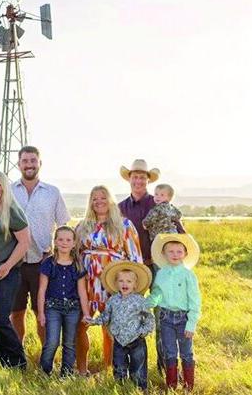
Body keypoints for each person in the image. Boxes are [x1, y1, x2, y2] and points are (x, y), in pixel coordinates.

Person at [117, 159, 185, 374]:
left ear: (148, 180)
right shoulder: (120, 208)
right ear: (129, 179)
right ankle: (133, 369)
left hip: (157, 266)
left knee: (162, 315)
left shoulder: (159, 204)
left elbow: (179, 232)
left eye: (142, 177)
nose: (138, 180)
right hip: (131, 269)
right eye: (134, 176)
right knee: (131, 315)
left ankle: (166, 367)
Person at [75, 185, 142, 374]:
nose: (99, 201)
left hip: (113, 280)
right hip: (86, 281)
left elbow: (135, 258)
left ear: (110, 200)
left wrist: (133, 290)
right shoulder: (82, 226)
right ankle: (81, 369)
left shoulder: (124, 225)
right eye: (94, 198)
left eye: (103, 197)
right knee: (81, 323)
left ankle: (110, 368)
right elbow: (73, 254)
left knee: (111, 326)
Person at [11, 146, 71, 345]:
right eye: (25, 161)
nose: (29, 165)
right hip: (15, 262)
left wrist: (57, 254)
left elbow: (63, 225)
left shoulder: (52, 192)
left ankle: (46, 356)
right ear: (19, 164)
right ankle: (17, 354)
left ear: (40, 163)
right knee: (16, 312)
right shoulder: (9, 191)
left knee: (42, 312)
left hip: (43, 263)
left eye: (33, 160)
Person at [0, 170, 30, 368]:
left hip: (7, 273)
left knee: (1, 318)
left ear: (4, 188)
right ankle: (2, 359)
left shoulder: (10, 210)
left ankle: (19, 360)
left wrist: (7, 266)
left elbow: (25, 242)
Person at [85, 261, 155, 392]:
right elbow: (106, 316)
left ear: (135, 285)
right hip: (118, 340)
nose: (124, 284)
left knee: (138, 366)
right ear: (116, 283)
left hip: (137, 339)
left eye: (129, 281)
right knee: (119, 366)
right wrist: (94, 321)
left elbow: (149, 317)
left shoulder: (139, 300)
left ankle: (140, 388)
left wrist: (144, 331)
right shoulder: (112, 300)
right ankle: (120, 387)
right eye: (121, 281)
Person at [145, 234, 202, 391]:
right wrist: (149, 302)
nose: (175, 255)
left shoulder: (188, 275)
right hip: (166, 318)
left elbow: (195, 301)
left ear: (185, 254)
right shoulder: (161, 273)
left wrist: (191, 323)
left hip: (183, 318)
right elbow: (158, 293)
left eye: (179, 251)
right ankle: (171, 385)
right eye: (171, 251)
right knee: (169, 352)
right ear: (164, 254)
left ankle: (188, 386)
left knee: (186, 353)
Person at [37, 226, 90, 377]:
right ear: (55, 242)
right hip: (52, 308)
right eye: (60, 239)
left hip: (73, 309)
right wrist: (41, 313)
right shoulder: (48, 263)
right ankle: (45, 371)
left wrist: (86, 313)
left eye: (68, 240)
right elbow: (42, 290)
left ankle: (66, 374)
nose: (64, 243)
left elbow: (82, 292)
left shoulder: (77, 264)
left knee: (69, 343)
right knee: (52, 341)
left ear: (74, 243)